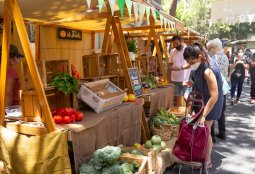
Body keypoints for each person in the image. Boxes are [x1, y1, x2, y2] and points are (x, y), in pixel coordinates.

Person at [183, 43, 223, 170]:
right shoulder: (197, 63)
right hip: (201, 101)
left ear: (199, 56)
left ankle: (207, 160)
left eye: (192, 61)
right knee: (201, 130)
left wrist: (204, 115)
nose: (190, 64)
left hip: (211, 102)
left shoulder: (208, 70)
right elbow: (195, 75)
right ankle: (200, 157)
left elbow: (214, 96)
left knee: (205, 130)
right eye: (188, 62)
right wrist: (191, 82)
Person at [207, 38, 229, 141]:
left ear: (215, 48)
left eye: (210, 48)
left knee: (211, 111)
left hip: (215, 88)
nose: (208, 50)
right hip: (224, 89)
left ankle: (212, 136)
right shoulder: (225, 56)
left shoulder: (214, 58)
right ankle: (222, 132)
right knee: (221, 112)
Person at [169, 35, 191, 106]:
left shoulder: (188, 50)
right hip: (175, 79)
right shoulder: (172, 51)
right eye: (173, 44)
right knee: (177, 100)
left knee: (187, 99)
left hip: (186, 79)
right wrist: (172, 67)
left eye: (176, 43)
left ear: (181, 41)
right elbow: (170, 63)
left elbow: (191, 63)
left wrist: (180, 68)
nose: (175, 45)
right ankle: (180, 115)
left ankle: (191, 115)